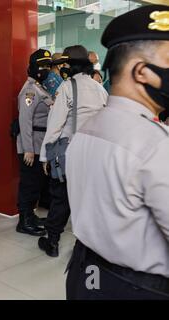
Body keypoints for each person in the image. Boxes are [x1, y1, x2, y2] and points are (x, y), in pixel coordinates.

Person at [66, 4, 169, 300]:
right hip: (140, 289)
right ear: (142, 72)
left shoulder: (87, 128)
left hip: (85, 275)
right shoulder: (155, 144)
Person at [38, 45, 108, 257]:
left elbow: (55, 124)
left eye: (65, 64)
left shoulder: (68, 87)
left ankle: (53, 242)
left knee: (61, 197)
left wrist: (45, 155)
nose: (63, 67)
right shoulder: (100, 89)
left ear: (71, 65)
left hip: (70, 153)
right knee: (89, 199)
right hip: (95, 153)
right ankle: (89, 245)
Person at [15, 49, 53, 237]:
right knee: (29, 184)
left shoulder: (40, 87)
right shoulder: (30, 90)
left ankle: (31, 215)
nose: (46, 69)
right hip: (32, 146)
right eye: (42, 66)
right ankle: (24, 221)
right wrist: (29, 149)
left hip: (40, 144)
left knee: (36, 183)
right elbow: (25, 121)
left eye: (48, 65)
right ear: (34, 67)